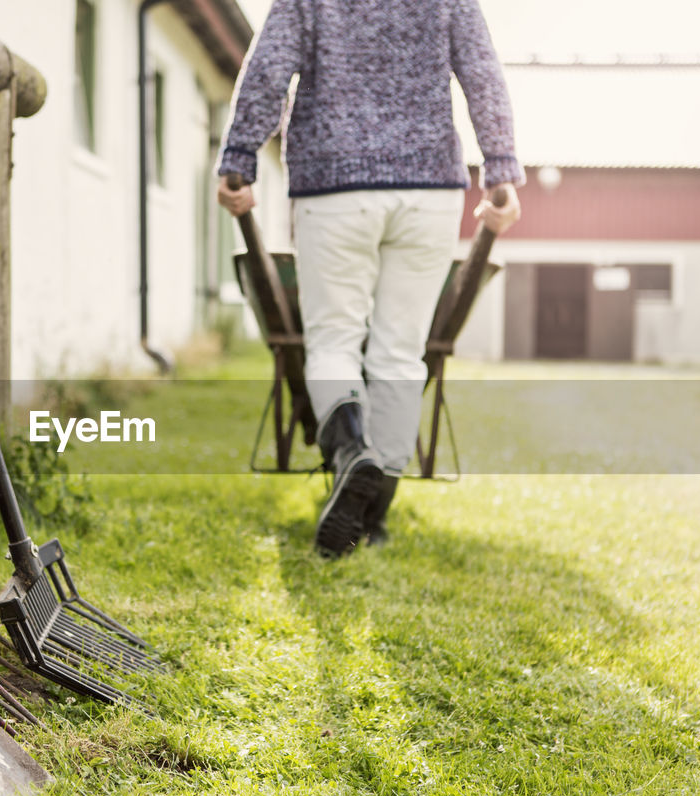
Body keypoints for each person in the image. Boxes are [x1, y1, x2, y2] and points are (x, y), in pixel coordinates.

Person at [218, 0, 523, 556]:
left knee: (333, 339)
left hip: (334, 188)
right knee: (402, 354)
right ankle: (373, 515)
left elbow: (267, 68)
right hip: (429, 189)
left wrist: (239, 157)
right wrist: (500, 170)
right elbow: (482, 70)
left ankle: (349, 456)